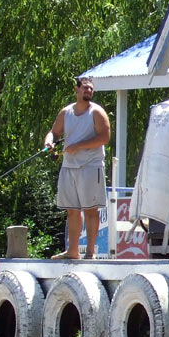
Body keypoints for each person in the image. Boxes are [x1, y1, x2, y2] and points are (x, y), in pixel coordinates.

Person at [44, 76, 111, 259]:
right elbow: (54, 132)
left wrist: (78, 146)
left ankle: (90, 253)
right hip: (69, 167)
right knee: (72, 210)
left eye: (91, 89)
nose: (88, 91)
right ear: (77, 89)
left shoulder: (97, 112)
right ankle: (72, 251)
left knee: (91, 209)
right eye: (85, 88)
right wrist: (49, 142)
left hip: (91, 166)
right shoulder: (66, 112)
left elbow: (104, 138)